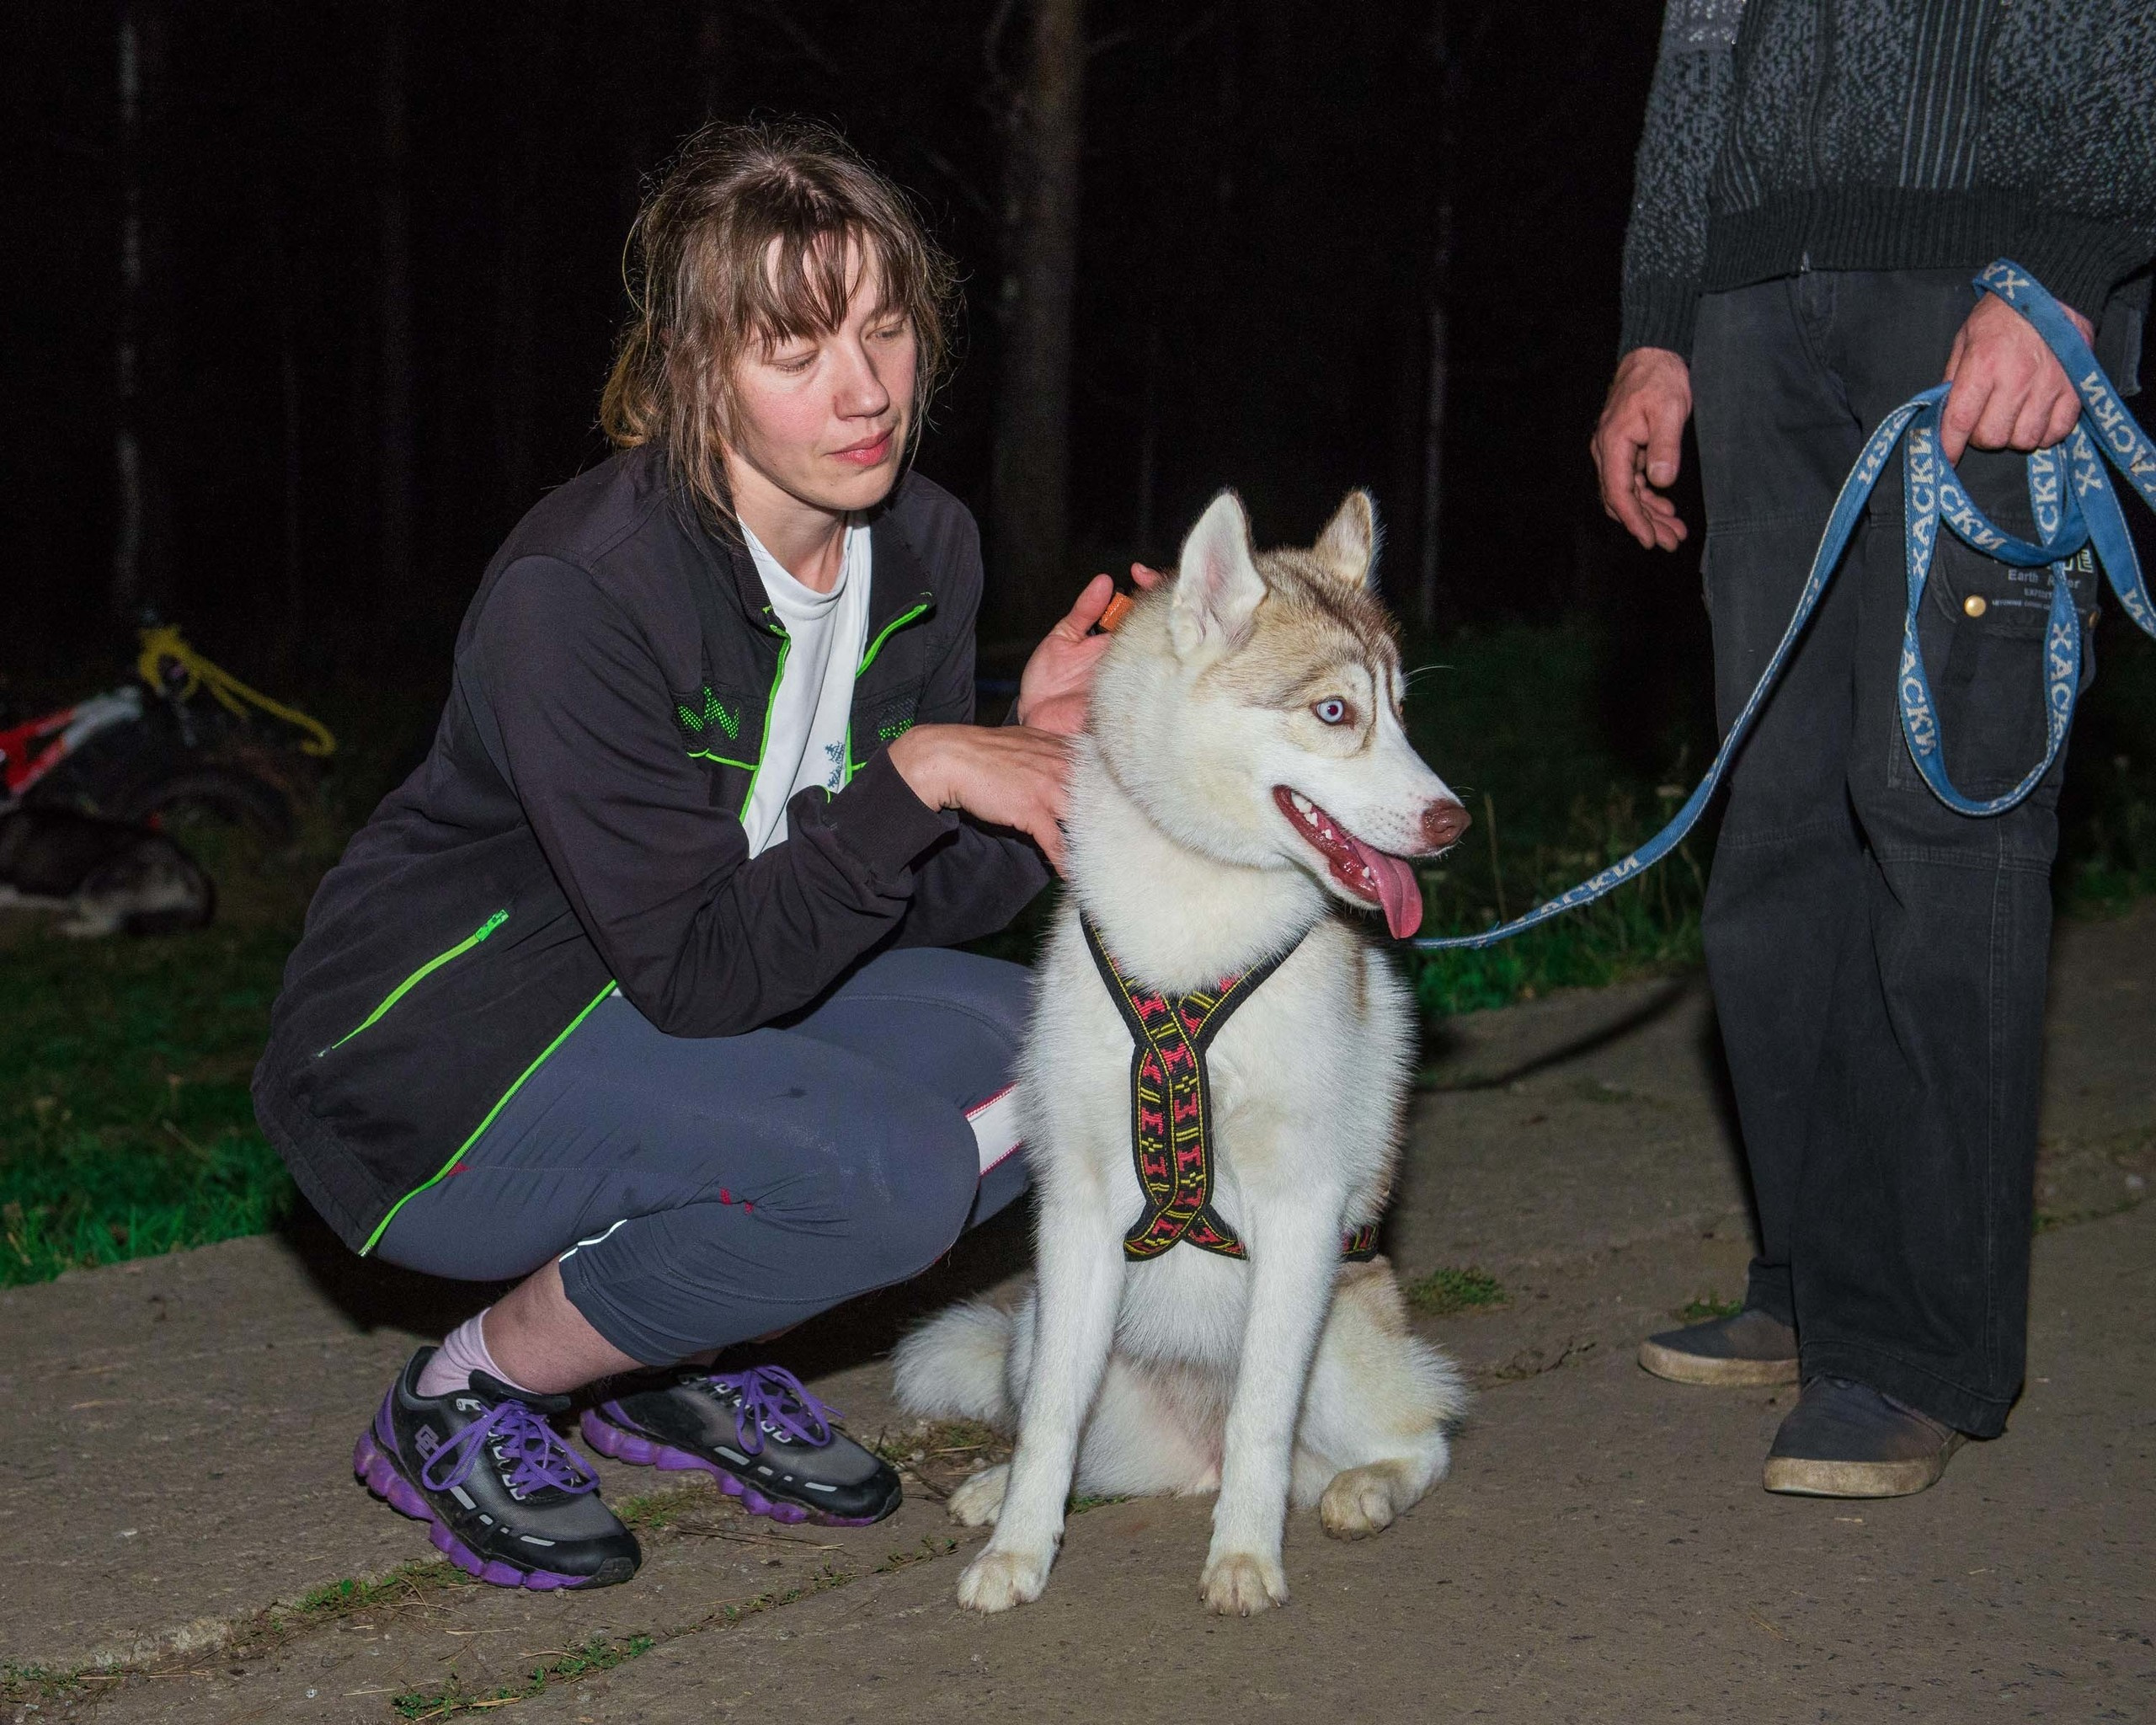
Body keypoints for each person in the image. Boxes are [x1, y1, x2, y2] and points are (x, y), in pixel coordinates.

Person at [253, 121, 1139, 1587]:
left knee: (1053, 1061)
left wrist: (1041, 766)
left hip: (682, 1001)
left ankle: (667, 1346)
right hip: (441, 1060)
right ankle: (465, 1392)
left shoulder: (925, 548)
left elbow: (898, 908)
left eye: (887, 326)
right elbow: (705, 970)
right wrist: (925, 770)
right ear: (693, 368)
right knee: (894, 1173)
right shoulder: (583, 590)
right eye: (794, 349)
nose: (864, 393)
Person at [1592, 1, 2155, 1498]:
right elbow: (1700, 43)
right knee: (1777, 821)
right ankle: (1819, 1282)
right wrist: (1659, 317)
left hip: (1984, 281)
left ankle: (1918, 1345)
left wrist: (2064, 264)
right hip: (1758, 303)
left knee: (1943, 815)